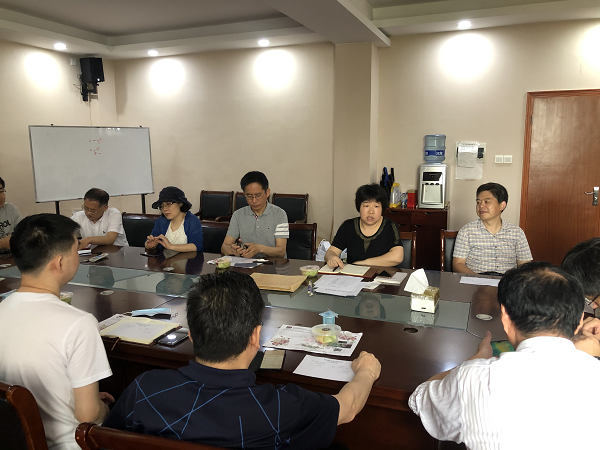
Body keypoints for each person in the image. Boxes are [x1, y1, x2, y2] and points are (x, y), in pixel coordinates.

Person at [103, 271, 381, 449]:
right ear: (255, 336)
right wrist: (366, 372)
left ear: (192, 335)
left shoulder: (143, 388)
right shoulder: (281, 406)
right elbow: (347, 408)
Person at [409, 262, 600, 450]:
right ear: (579, 322)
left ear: (505, 317)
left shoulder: (474, 378)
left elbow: (419, 400)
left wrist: (474, 361)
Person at [0, 214, 113, 450]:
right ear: (59, 262)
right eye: (76, 249)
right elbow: (88, 415)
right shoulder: (78, 324)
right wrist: (103, 407)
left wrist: (85, 397)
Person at [452, 182, 532, 275]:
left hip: (506, 280)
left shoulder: (517, 233)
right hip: (475, 279)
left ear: (502, 205)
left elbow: (524, 265)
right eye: (478, 202)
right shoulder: (467, 231)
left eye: (486, 202)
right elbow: (458, 264)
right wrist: (479, 279)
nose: (481, 206)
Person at [325, 184, 403, 268]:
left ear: (382, 208)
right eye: (366, 206)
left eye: (376, 206)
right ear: (359, 207)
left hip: (382, 274)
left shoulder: (390, 226)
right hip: (354, 274)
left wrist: (364, 263)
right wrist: (331, 257)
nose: (371, 211)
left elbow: (397, 257)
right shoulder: (348, 226)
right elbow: (331, 251)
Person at [222, 171, 288, 258]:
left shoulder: (279, 214)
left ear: (267, 192)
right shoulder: (238, 215)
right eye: (249, 196)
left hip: (272, 264)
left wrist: (260, 249)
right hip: (246, 263)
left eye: (258, 195)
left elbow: (281, 251)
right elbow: (224, 247)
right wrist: (233, 250)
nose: (254, 200)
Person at [145, 186, 204, 253]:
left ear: (180, 203)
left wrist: (171, 246)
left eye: (168, 204)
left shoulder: (192, 220)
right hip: (166, 259)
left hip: (188, 259)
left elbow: (197, 246)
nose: (165, 209)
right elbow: (152, 238)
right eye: (162, 206)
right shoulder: (161, 221)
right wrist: (149, 245)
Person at [0, 176, 22, 251]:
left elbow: (22, 233)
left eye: (1, 191)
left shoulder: (11, 209)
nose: (0, 197)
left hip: (12, 253)